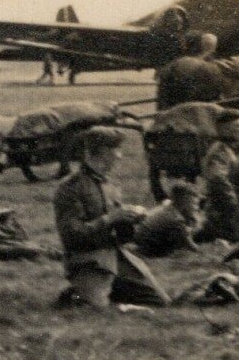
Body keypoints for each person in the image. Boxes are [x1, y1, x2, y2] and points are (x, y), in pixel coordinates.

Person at [52, 128, 168, 309]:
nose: (120, 156)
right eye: (116, 150)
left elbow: (121, 235)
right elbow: (71, 235)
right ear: (101, 152)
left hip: (117, 258)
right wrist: (111, 218)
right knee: (94, 308)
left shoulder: (110, 185)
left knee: (159, 301)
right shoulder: (70, 187)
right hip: (89, 260)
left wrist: (131, 221)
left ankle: (106, 290)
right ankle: (76, 293)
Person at [156, 32, 224, 108]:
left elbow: (163, 98)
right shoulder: (211, 68)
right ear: (211, 49)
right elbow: (214, 99)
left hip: (171, 114)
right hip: (195, 114)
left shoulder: (171, 65)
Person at [132, 183, 202, 258]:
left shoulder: (168, 207)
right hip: (148, 249)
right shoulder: (176, 220)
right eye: (194, 204)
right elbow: (193, 247)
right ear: (184, 203)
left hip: (139, 239)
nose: (196, 208)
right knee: (180, 244)